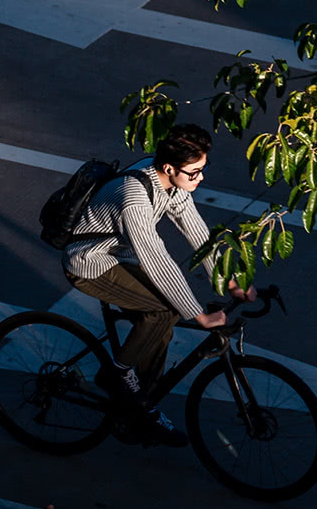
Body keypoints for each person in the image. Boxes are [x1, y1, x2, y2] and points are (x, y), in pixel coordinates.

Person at [60, 123, 259, 446]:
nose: (201, 178)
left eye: (203, 170)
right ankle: (118, 373)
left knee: (165, 315)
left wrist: (230, 281)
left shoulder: (170, 182)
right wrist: (197, 314)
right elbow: (156, 260)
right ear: (169, 168)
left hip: (118, 256)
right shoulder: (134, 198)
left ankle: (141, 405)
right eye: (194, 172)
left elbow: (197, 233)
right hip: (90, 262)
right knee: (161, 312)